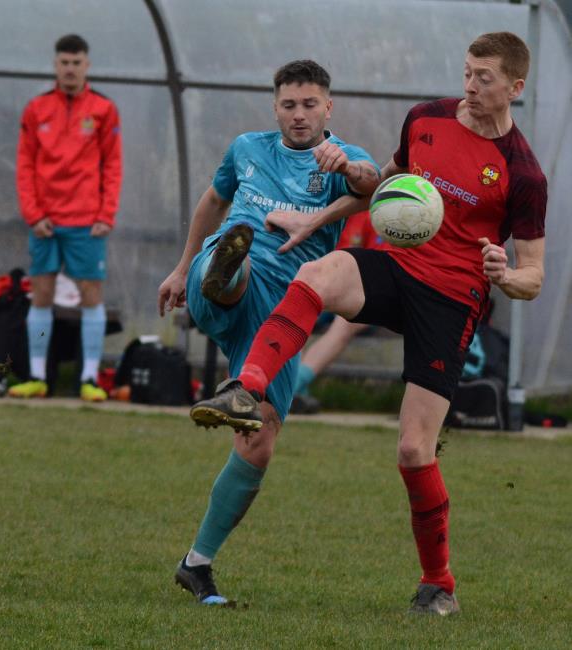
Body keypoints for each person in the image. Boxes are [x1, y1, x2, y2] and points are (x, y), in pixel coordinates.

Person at [190, 33, 547, 615]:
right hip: (399, 266)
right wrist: (319, 221)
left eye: (485, 77)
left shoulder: (524, 172)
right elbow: (382, 185)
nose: (471, 86)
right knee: (319, 275)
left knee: (412, 449)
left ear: (516, 87)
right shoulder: (426, 119)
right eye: (467, 72)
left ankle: (439, 585)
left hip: (453, 298)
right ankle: (245, 387)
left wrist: (506, 276)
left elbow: (534, 274)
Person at [158, 60, 380, 605]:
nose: (299, 114)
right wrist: (181, 268)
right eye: (289, 104)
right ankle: (225, 267)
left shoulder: (345, 158)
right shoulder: (246, 148)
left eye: (309, 105)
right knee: (237, 250)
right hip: (224, 288)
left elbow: (372, 187)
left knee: (259, 443)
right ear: (275, 106)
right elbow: (213, 200)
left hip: (281, 323)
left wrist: (348, 167)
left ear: (329, 107)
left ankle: (197, 564)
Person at [9, 34, 122, 402]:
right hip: (45, 220)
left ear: (86, 65)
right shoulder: (36, 108)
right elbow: (24, 165)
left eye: (76, 62)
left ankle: (89, 377)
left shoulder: (103, 109)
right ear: (55, 65)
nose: (70, 69)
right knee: (40, 296)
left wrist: (106, 213)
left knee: (91, 296)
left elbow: (113, 164)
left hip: (86, 220)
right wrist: (33, 213)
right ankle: (38, 375)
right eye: (64, 62)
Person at [292, 210, 381, 414]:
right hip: (324, 287)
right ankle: (289, 387)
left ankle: (294, 385)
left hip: (358, 293)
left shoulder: (373, 211)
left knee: (344, 325)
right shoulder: (328, 210)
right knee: (296, 310)